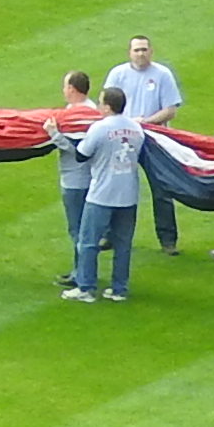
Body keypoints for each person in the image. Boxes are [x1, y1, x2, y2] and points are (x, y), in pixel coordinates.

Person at [63, 75, 144, 302]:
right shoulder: (137, 128)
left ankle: (86, 288)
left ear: (108, 107)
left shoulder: (99, 128)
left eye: (100, 103)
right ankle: (119, 289)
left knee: (88, 242)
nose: (98, 106)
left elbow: (81, 155)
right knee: (123, 245)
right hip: (129, 195)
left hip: (102, 194)